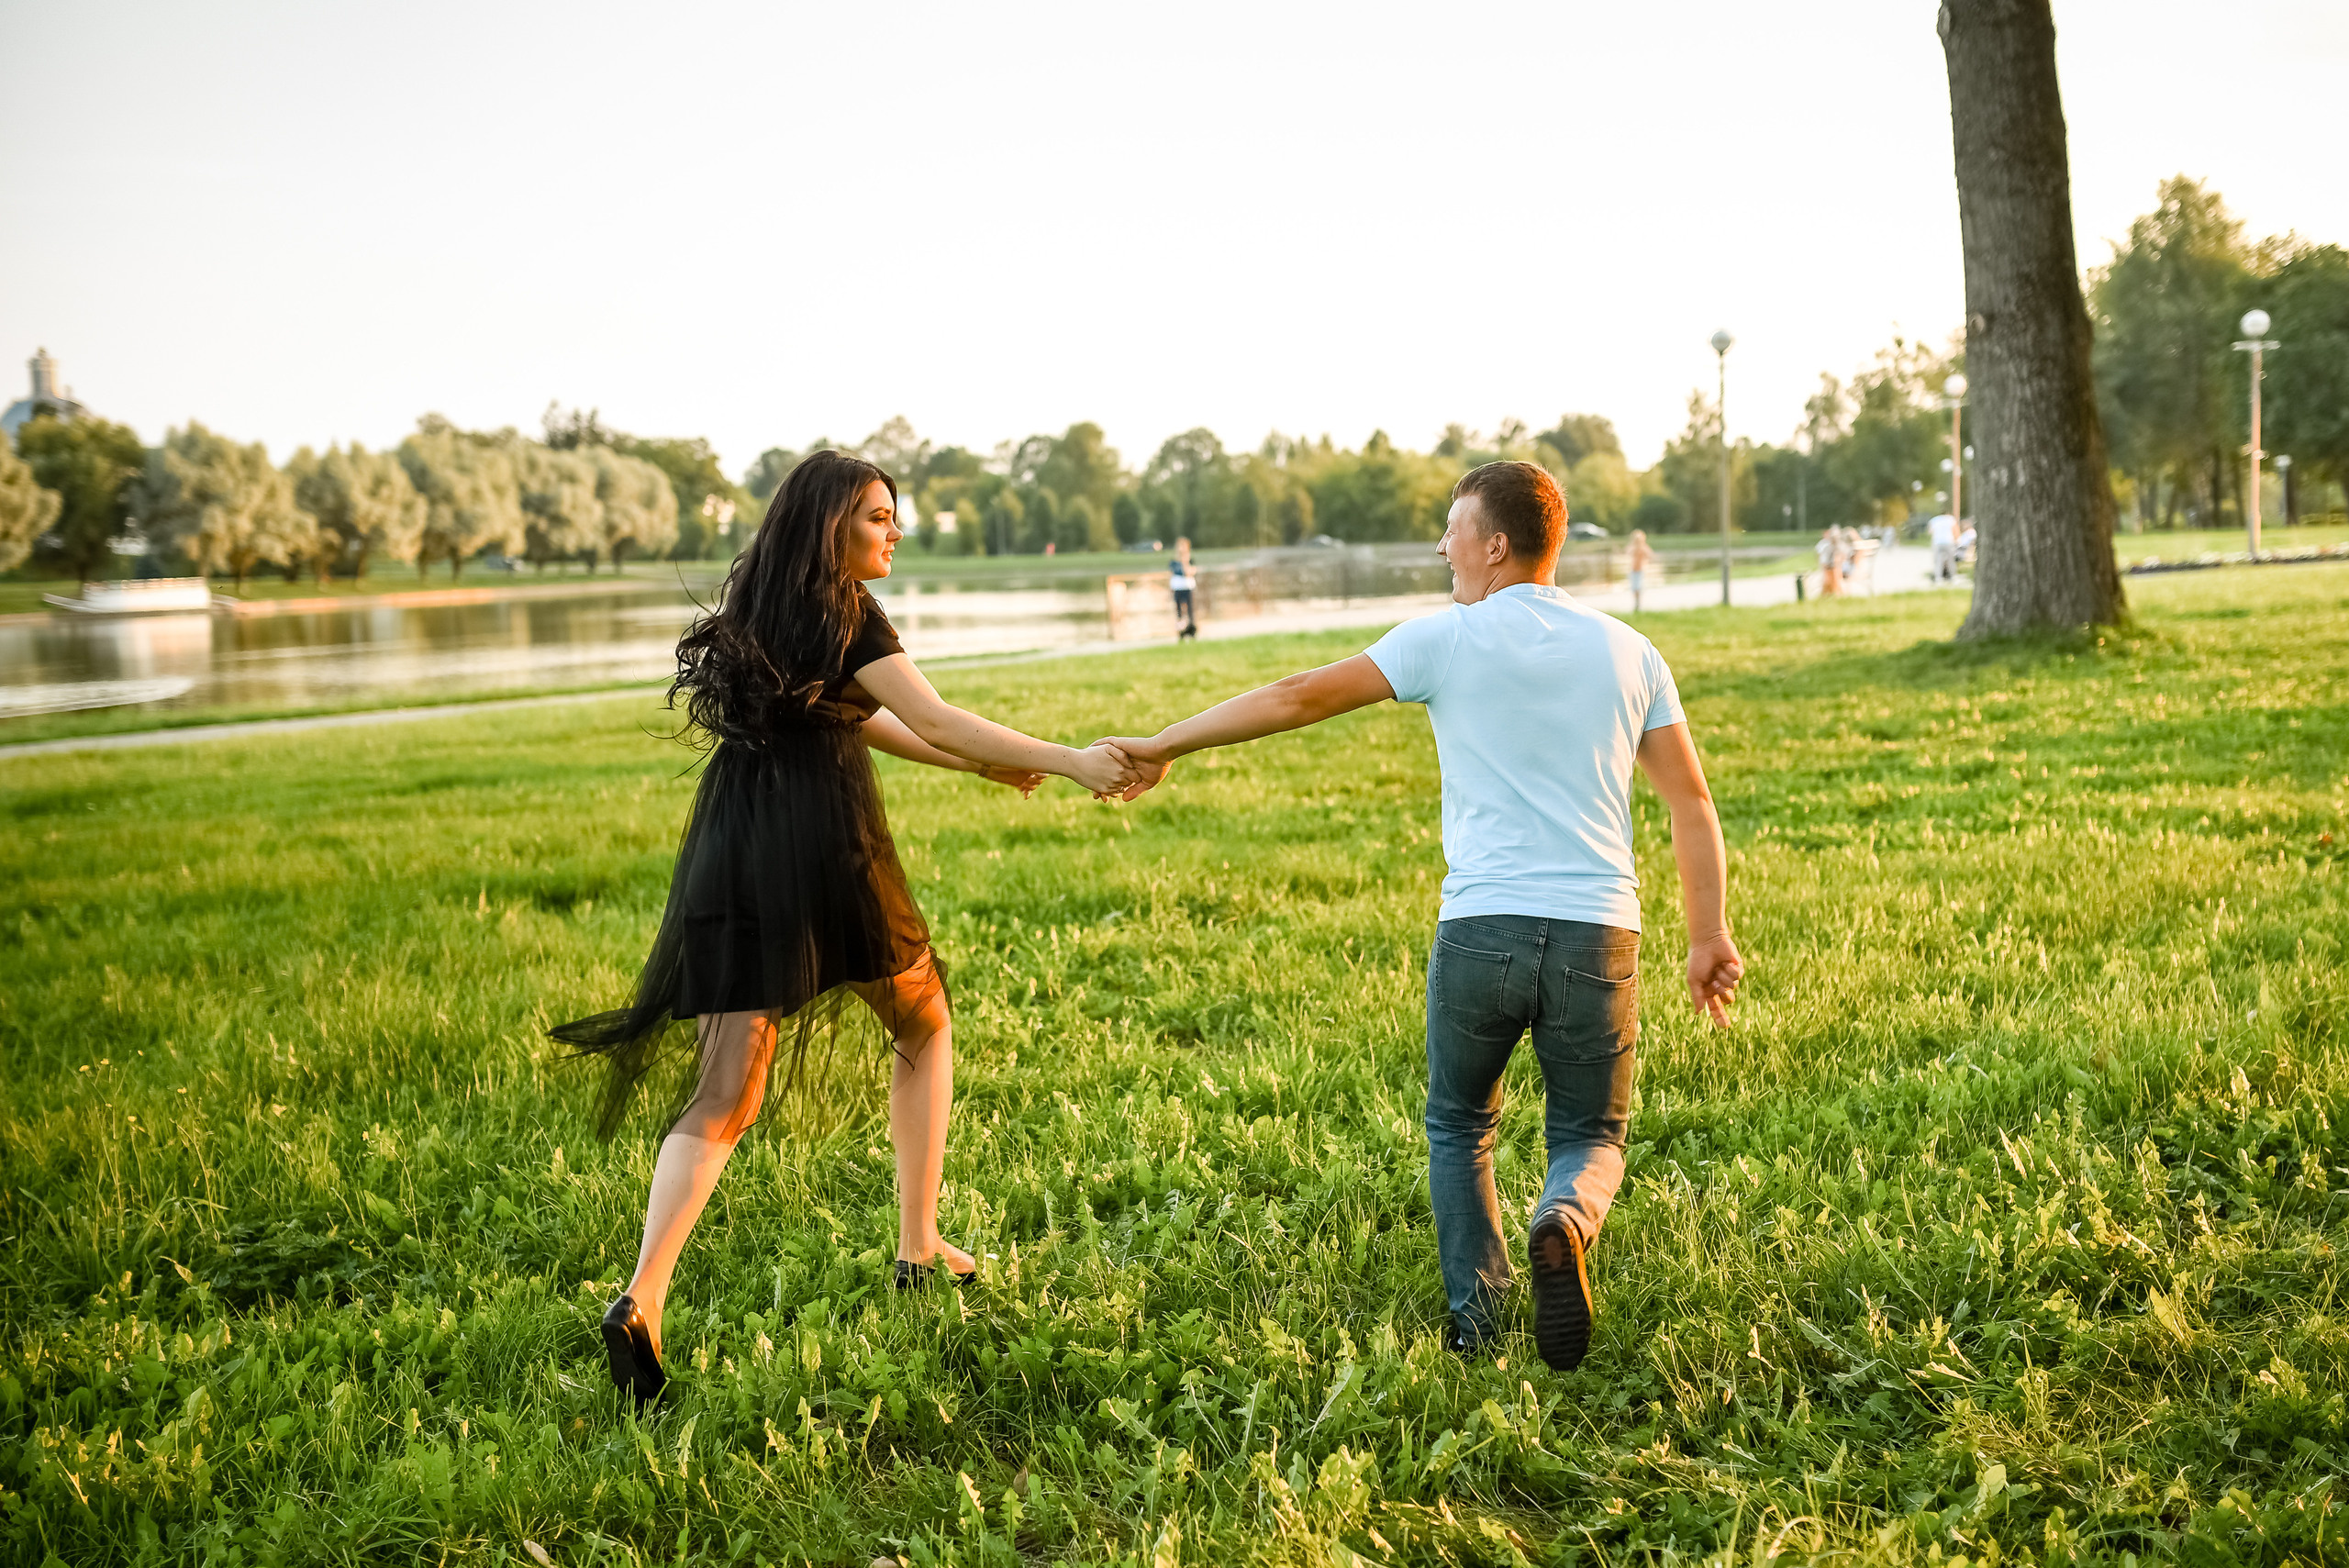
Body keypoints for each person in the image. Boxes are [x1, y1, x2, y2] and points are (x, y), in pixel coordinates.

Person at [1103, 462, 1742, 1371]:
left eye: (1453, 528)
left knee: (1458, 1124)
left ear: (1495, 543)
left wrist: (1164, 743)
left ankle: (1476, 1318)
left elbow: (1296, 695)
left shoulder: (1446, 639)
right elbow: (1691, 803)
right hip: (1598, 935)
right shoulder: (1629, 651)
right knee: (1590, 1138)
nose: (1442, 547)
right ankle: (1565, 1217)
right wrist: (1708, 934)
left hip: (1479, 931)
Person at [552, 450, 1139, 1406]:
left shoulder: (760, 604)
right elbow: (935, 715)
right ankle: (916, 1243)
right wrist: (1070, 759)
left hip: (732, 847)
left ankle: (642, 1294)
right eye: (876, 516)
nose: (892, 530)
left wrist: (981, 769)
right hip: (826, 845)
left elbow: (852, 714)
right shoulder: (848, 608)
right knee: (923, 1022)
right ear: (832, 526)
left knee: (724, 1094)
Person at [1169, 537, 1199, 639]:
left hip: (1187, 588)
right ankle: (1181, 630)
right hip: (1178, 589)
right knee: (1179, 611)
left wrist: (1184, 561)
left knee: (1190, 610)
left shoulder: (1190, 560)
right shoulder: (1173, 562)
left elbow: (1189, 573)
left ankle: (1192, 630)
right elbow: (1171, 576)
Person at [1625, 528, 1657, 614]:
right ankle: (1636, 602)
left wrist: (1643, 551)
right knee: (1634, 588)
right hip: (1633, 571)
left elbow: (1650, 555)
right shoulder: (1633, 548)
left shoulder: (1644, 548)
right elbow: (1627, 552)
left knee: (1639, 587)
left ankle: (1638, 603)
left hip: (1640, 571)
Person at [1927, 511, 1957, 583]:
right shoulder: (1950, 519)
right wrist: (1956, 540)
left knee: (1937, 560)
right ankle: (1952, 576)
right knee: (1951, 560)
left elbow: (1930, 531)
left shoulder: (1934, 520)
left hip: (1937, 542)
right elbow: (1955, 530)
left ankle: (1938, 577)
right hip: (1948, 541)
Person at [1816, 526, 1842, 596]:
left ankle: (1832, 592)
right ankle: (1832, 592)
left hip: (1834, 568)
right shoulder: (1826, 545)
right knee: (1831, 571)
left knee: (1832, 572)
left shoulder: (1837, 547)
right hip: (1831, 567)